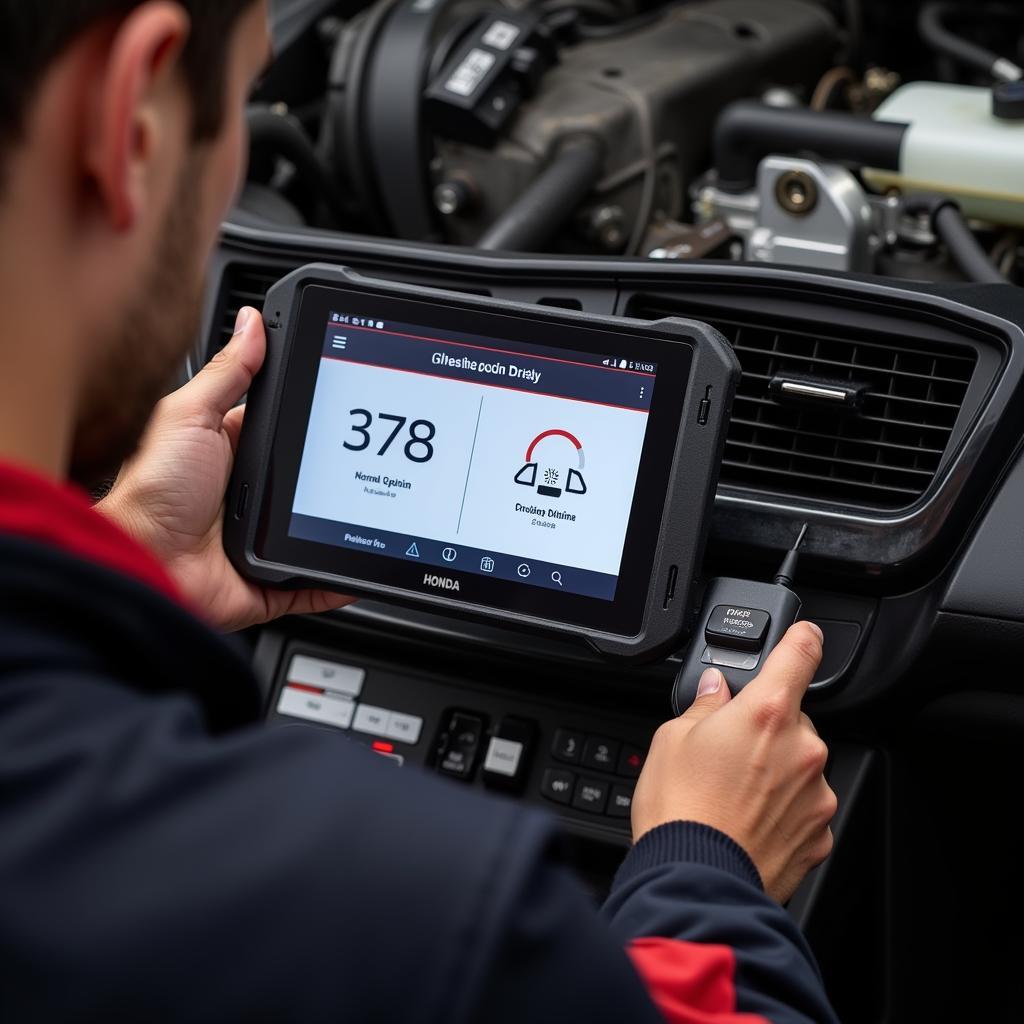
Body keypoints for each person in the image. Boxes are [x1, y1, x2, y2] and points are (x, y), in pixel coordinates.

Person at [0, 2, 838, 1021]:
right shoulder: (418, 918)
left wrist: (126, 564)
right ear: (128, 120)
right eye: (241, 100)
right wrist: (709, 865)